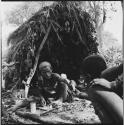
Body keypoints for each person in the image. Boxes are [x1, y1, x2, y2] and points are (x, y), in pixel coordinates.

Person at [77, 55, 123, 124]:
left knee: (93, 89)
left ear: (88, 75)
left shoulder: (104, 77)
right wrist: (81, 94)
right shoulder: (110, 75)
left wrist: (114, 84)